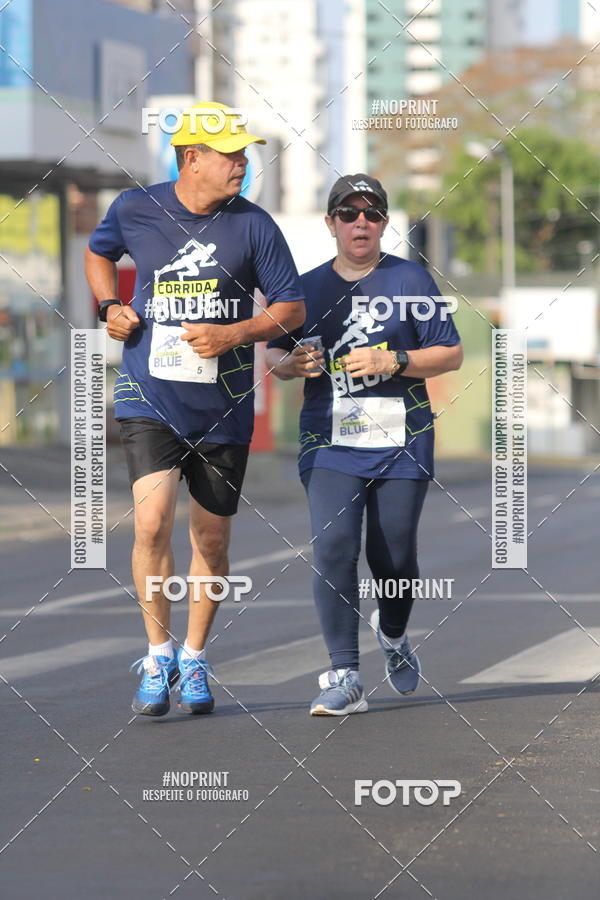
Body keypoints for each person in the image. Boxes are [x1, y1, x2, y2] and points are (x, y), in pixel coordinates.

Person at [85, 102, 305, 717]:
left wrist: (233, 335)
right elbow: (99, 254)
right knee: (151, 523)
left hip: (225, 404)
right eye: (231, 155)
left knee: (211, 536)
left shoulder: (254, 224)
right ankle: (157, 654)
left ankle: (196, 654)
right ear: (191, 158)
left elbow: (291, 308)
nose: (243, 164)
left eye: (244, 154)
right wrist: (109, 307)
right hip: (149, 393)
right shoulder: (136, 209)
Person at [266, 174, 462, 716]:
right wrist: (291, 365)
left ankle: (394, 635)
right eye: (348, 213)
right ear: (330, 223)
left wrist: (392, 360)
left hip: (403, 437)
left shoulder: (411, 281)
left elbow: (450, 353)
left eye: (371, 214)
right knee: (333, 545)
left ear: (384, 224)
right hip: (329, 440)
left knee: (393, 553)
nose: (360, 223)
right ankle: (344, 675)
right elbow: (274, 358)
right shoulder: (304, 288)